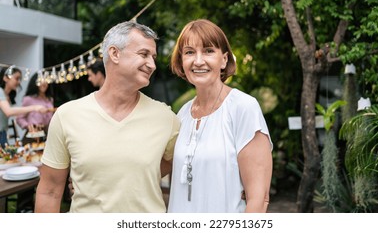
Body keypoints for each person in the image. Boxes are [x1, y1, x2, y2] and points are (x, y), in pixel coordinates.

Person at [35, 21, 180, 213]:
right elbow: (50, 191)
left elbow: (173, 161)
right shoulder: (67, 115)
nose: (152, 65)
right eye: (144, 54)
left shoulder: (166, 118)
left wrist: (129, 177)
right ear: (114, 53)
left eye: (153, 57)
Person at [168, 19, 273, 213]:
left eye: (208, 51)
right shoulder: (182, 114)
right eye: (190, 52)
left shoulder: (243, 107)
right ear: (181, 61)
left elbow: (258, 199)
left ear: (224, 59)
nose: (198, 61)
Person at [0, 66, 47, 148]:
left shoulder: (7, 95)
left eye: (19, 79)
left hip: (3, 133)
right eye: (16, 78)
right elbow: (8, 111)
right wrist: (34, 108)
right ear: (5, 78)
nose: (18, 82)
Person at [16, 72, 55, 140]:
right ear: (35, 83)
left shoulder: (50, 99)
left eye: (45, 81)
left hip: (47, 135)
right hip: (32, 135)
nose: (43, 83)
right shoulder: (28, 99)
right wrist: (28, 126)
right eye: (40, 81)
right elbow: (19, 118)